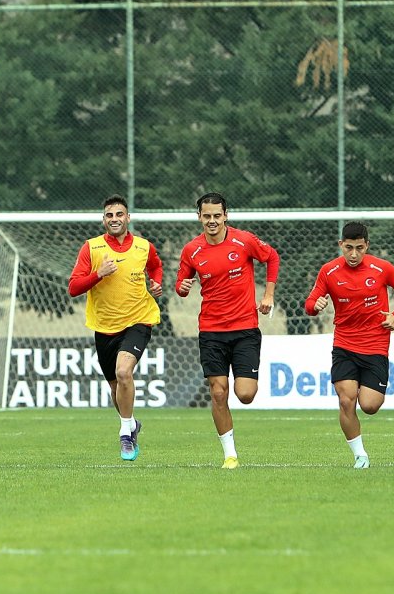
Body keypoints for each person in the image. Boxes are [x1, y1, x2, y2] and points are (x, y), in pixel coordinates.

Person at [175, 192, 279, 469]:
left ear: (226, 215)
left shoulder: (244, 240)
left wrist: (268, 295)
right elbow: (181, 284)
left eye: (216, 216)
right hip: (211, 330)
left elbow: (272, 258)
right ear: (199, 217)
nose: (212, 221)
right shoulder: (191, 250)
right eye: (206, 216)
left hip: (245, 328)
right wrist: (182, 287)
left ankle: (244, 386)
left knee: (245, 394)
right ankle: (230, 455)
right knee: (218, 393)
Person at [304, 221, 394, 469]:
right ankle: (360, 455)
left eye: (360, 248)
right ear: (341, 245)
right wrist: (315, 306)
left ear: (367, 246)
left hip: (375, 346)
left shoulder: (381, 268)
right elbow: (310, 302)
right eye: (349, 248)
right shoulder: (329, 271)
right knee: (346, 400)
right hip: (344, 344)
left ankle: (361, 447)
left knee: (370, 405)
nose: (354, 254)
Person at [67, 194, 165, 461]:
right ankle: (132, 423)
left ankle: (125, 436)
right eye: (109, 216)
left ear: (128, 218)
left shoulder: (144, 247)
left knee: (124, 373)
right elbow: (73, 288)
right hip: (104, 327)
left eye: (119, 214)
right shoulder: (92, 248)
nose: (114, 219)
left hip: (139, 320)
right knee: (115, 388)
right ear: (103, 220)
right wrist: (98, 274)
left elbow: (156, 267)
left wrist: (156, 284)